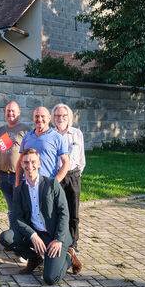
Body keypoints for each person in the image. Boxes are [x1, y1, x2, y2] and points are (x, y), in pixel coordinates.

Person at [0, 148, 82, 285]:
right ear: (21, 164)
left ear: (39, 163)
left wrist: (58, 240)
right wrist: (33, 235)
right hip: (36, 234)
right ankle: (35, 258)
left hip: (55, 236)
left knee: (50, 279)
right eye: (26, 162)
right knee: (6, 237)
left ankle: (68, 255)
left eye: (33, 162)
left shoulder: (52, 184)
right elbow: (17, 218)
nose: (29, 166)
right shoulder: (19, 190)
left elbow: (64, 213)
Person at [52, 104, 85, 253]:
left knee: (73, 211)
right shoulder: (50, 134)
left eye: (64, 116)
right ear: (53, 118)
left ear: (69, 117)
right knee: (56, 211)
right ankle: (57, 240)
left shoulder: (77, 134)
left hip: (73, 176)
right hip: (57, 176)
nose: (61, 118)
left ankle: (73, 243)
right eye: (58, 116)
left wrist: (77, 174)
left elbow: (82, 158)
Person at [16, 107, 70, 187]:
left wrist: (55, 183)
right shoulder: (27, 137)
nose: (39, 119)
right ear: (33, 118)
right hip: (28, 185)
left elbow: (66, 163)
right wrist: (18, 185)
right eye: (37, 116)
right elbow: (20, 162)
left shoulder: (57, 137)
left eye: (42, 116)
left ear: (49, 118)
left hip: (47, 184)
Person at [0, 101, 30, 225]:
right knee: (11, 208)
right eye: (8, 111)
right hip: (4, 176)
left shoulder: (25, 130)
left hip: (18, 175)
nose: (10, 113)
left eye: (13, 110)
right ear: (5, 113)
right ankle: (13, 233)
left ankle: (22, 234)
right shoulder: (0, 130)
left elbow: (30, 153)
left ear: (19, 112)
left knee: (19, 207)